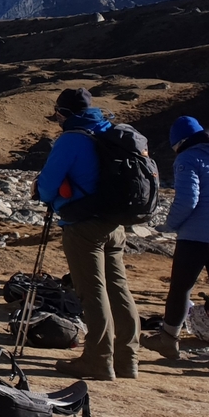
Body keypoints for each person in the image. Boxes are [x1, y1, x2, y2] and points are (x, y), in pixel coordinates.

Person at [36, 87, 140, 380]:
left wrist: (41, 191)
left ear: (64, 113)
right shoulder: (108, 131)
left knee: (92, 290)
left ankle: (98, 359)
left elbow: (47, 186)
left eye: (58, 113)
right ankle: (127, 359)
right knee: (118, 288)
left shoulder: (71, 139)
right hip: (114, 223)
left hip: (83, 226)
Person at [144, 116, 209, 360]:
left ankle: (169, 338)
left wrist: (169, 225)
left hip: (195, 236)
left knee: (181, 288)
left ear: (180, 142)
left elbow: (187, 200)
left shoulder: (187, 158)